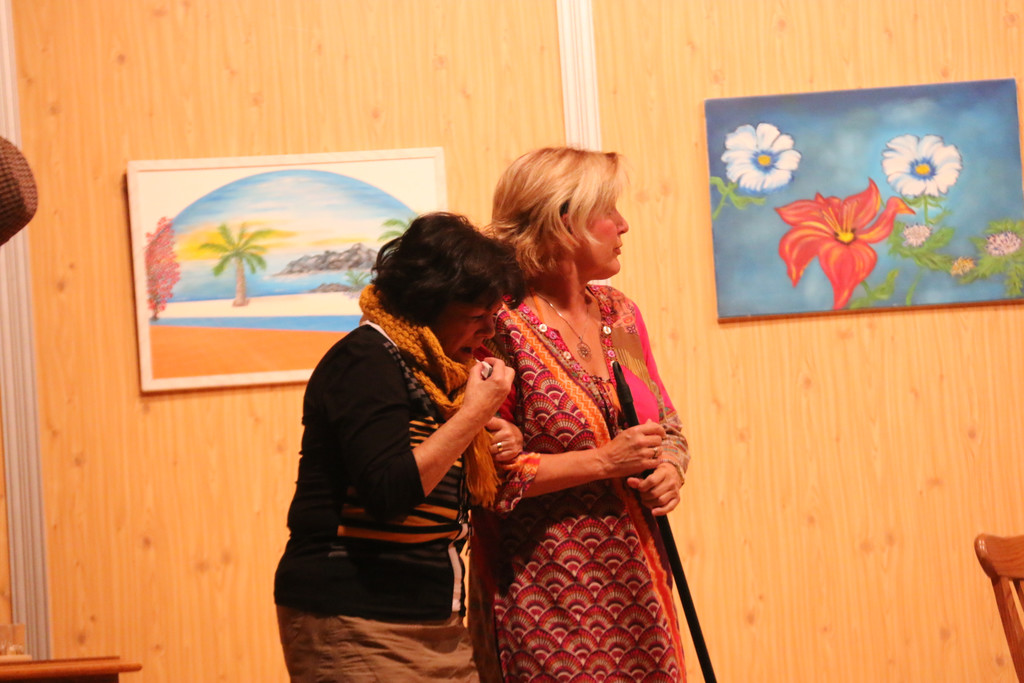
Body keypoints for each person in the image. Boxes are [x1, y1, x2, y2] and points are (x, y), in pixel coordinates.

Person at [468, 147, 691, 681]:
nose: (624, 224)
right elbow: (485, 478)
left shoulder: (620, 313)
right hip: (544, 595)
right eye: (608, 210)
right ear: (564, 221)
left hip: (641, 586)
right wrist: (604, 462)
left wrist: (670, 468)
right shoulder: (498, 324)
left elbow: (666, 425)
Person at [274, 211, 526, 682]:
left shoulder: (435, 374)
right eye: (477, 317)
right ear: (426, 304)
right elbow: (390, 493)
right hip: (356, 614)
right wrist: (473, 415)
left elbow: (444, 487)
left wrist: (495, 438)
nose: (489, 332)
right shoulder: (366, 359)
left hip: (433, 617)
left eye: (493, 316)